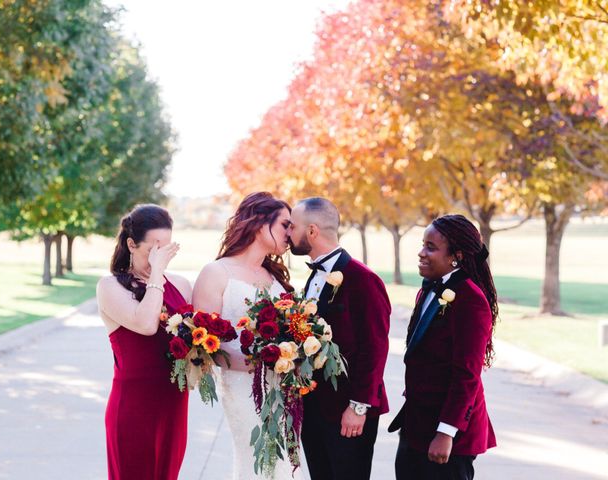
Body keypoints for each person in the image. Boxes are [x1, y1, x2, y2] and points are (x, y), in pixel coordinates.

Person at [191, 192, 302, 480]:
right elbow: (204, 347)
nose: (291, 234)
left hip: (283, 388)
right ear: (258, 223)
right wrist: (259, 363)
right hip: (243, 387)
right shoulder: (217, 272)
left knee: (287, 465)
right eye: (285, 225)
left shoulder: (275, 277)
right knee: (258, 460)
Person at [288, 197, 391, 480]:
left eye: (291, 226)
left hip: (349, 411)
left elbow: (376, 348)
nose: (287, 233)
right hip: (315, 408)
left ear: (311, 231)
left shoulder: (363, 279)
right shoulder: (313, 278)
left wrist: (358, 406)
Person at [389, 214, 497, 480]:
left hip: (449, 435)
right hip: (416, 424)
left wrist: (446, 432)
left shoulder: (470, 299)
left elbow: (467, 375)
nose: (421, 253)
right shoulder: (427, 290)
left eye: (431, 247)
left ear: (456, 256)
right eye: (423, 244)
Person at [96, 204, 193, 480]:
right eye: (154, 248)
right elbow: (146, 324)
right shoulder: (110, 287)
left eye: (165, 248)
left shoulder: (182, 284)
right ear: (131, 244)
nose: (160, 256)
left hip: (173, 404)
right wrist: (157, 274)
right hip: (134, 407)